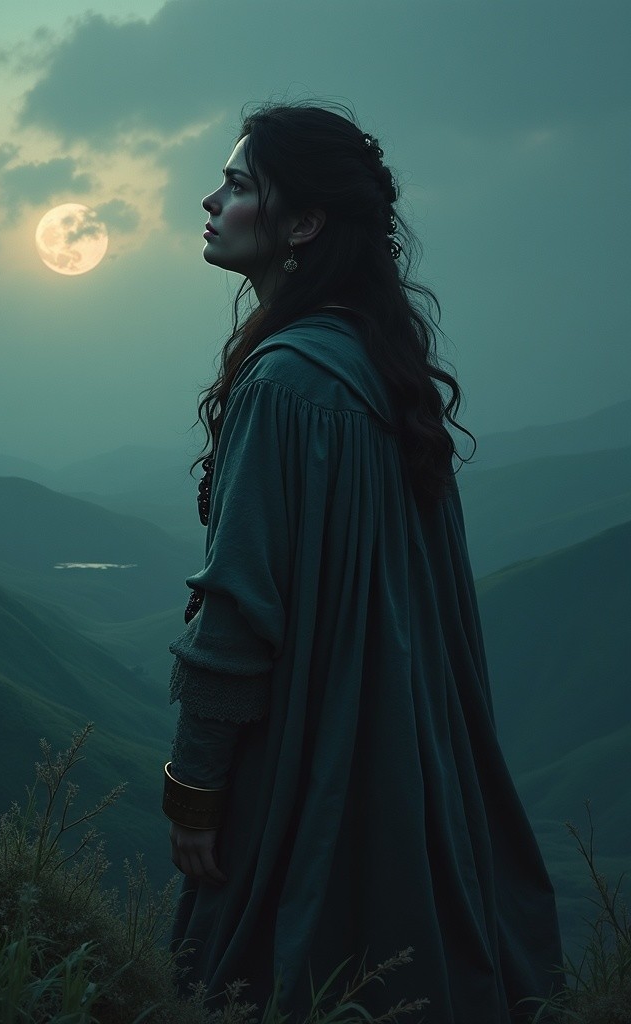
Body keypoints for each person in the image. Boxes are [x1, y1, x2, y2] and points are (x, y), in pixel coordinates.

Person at [162, 103, 562, 1021]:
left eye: (238, 185)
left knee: (266, 972)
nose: (211, 202)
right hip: (402, 751)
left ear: (303, 224)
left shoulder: (285, 383)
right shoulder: (378, 366)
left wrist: (195, 789)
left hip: (308, 755)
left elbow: (237, 611)